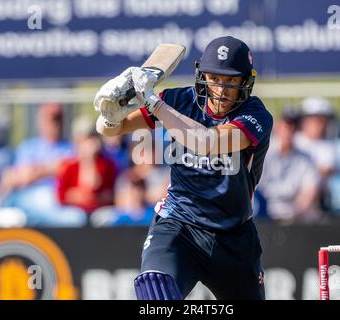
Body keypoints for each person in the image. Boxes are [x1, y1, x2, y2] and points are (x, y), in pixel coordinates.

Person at [94, 36, 273, 300]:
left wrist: (154, 102)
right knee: (156, 290)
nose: (221, 90)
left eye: (231, 81)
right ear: (203, 76)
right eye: (215, 79)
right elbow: (111, 130)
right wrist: (113, 111)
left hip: (234, 237)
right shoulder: (179, 100)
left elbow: (206, 141)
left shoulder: (255, 115)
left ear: (245, 82)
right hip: (179, 226)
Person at [257, 109, 321, 224]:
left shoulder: (305, 158)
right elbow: (255, 187)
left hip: (294, 215)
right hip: (263, 212)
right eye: (287, 126)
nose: (289, 131)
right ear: (278, 127)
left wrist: (294, 214)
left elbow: (310, 190)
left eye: (294, 127)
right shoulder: (262, 152)